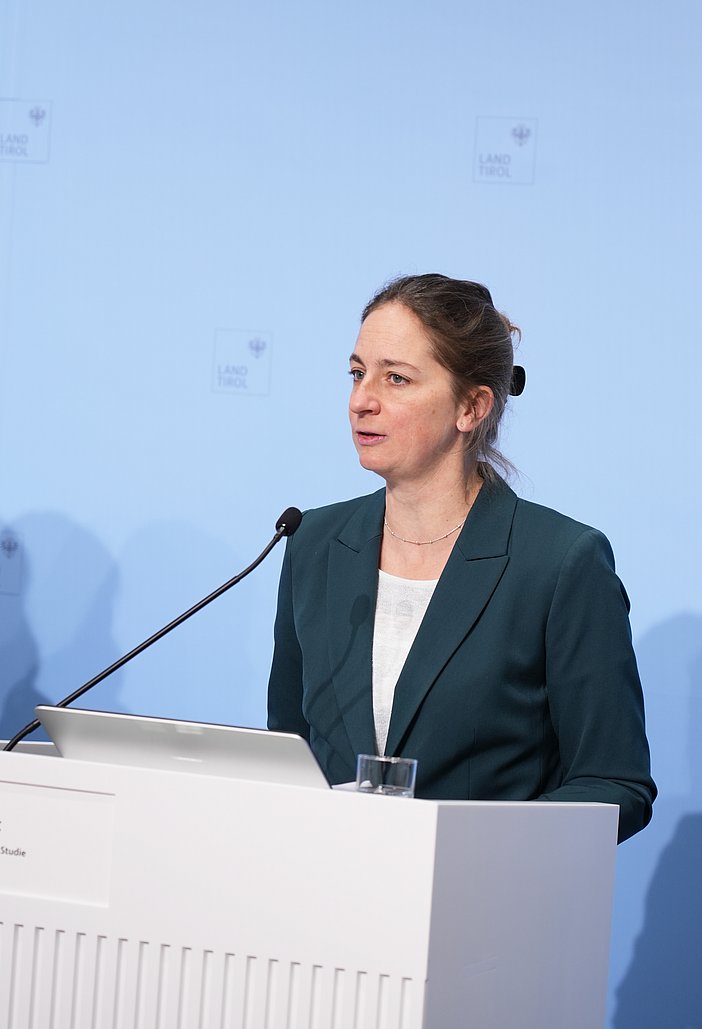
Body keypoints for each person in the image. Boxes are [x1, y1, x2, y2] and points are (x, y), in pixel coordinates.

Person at [267, 273, 656, 842]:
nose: (361, 401)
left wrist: (470, 843)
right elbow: (287, 755)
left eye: (395, 378)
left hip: (482, 890)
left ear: (472, 406)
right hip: (332, 885)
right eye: (357, 373)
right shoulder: (313, 542)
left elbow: (614, 784)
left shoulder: (559, 563)